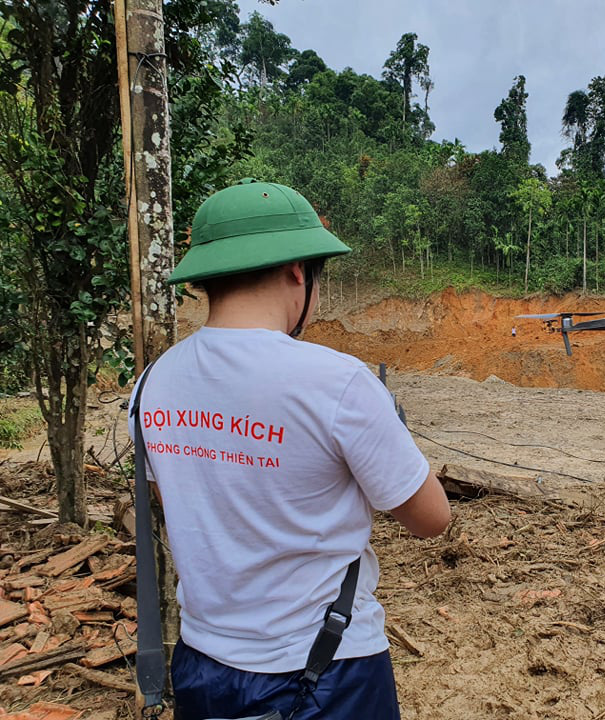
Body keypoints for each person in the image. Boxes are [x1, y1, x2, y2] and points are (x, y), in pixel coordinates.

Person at [129, 179, 451, 720]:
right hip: (329, 671)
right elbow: (431, 519)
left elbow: (173, 497)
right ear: (298, 271)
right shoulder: (337, 382)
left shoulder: (152, 383)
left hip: (203, 663)